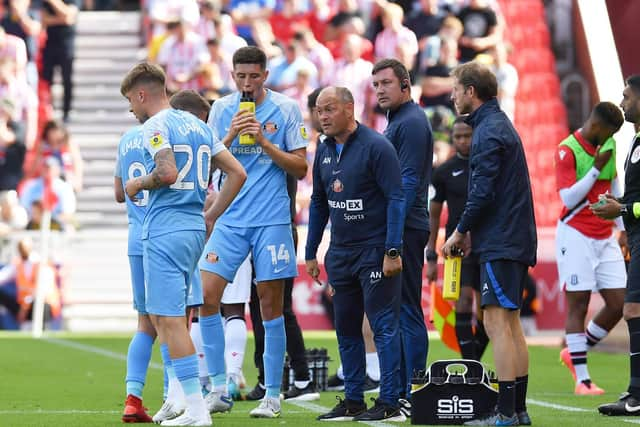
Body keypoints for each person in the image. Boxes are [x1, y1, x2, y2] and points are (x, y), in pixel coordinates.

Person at [120, 62, 246, 427]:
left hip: (165, 229)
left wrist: (136, 185)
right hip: (193, 227)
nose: (132, 108)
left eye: (131, 100)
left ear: (142, 94)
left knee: (170, 322)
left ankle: (194, 409)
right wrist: (211, 215)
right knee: (168, 318)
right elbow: (238, 172)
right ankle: (192, 404)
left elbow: (167, 171)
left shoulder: (155, 126)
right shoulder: (198, 126)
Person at [199, 45, 308, 419]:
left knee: (269, 305)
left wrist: (264, 142)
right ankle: (217, 387)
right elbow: (207, 161)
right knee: (207, 296)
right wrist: (228, 137)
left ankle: (273, 394)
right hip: (230, 219)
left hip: (272, 220)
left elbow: (300, 167)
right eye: (240, 76)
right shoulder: (221, 109)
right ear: (233, 76)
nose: (246, 83)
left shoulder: (287, 109)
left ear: (265, 75)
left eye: (253, 76)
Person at [442, 61, 535, 426]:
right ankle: (519, 411)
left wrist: (459, 230)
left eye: (455, 89)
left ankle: (506, 413)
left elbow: (481, 193)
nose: (451, 96)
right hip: (512, 236)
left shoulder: (488, 131)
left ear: (470, 91)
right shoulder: (498, 124)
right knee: (510, 325)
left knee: (496, 324)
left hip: (501, 239)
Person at [306, 86, 406, 422]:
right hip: (341, 253)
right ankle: (353, 400)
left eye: (329, 109)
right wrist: (311, 251)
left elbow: (396, 198)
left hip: (375, 250)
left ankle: (390, 401)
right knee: (346, 327)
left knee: (382, 327)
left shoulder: (377, 146)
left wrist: (392, 250)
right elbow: (320, 202)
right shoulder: (323, 149)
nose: (323, 116)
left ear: (350, 108)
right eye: (319, 110)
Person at [169, 89, 253, 401]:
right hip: (231, 227)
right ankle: (225, 376)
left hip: (215, 227)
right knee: (227, 309)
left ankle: (207, 379)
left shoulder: (197, 142)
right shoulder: (209, 143)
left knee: (204, 307)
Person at [371, 58, 432, 401]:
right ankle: (406, 388)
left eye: (386, 83)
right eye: (376, 84)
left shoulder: (409, 122)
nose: (379, 90)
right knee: (398, 309)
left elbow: (407, 183)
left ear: (405, 85)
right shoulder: (401, 120)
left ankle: (414, 389)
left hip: (405, 227)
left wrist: (391, 236)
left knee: (406, 308)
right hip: (403, 225)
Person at [555, 102, 626, 396]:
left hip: (605, 235)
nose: (612, 137)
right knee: (579, 305)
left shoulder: (607, 143)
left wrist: (622, 228)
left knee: (620, 304)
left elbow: (616, 187)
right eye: (610, 131)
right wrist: (595, 168)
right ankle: (582, 380)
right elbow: (569, 198)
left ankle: (575, 351)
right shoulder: (566, 149)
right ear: (597, 126)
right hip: (575, 234)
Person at [247, 171, 320, 402]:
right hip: (264, 230)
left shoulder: (279, 153)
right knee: (262, 306)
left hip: (275, 230)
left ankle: (300, 378)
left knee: (277, 308)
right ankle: (279, 377)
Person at [593, 74, 640, 416]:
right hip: (636, 236)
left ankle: (636, 395)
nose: (622, 103)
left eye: (627, 96)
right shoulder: (635, 142)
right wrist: (621, 205)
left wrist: (621, 209)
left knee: (632, 309)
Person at [427, 116, 490, 361]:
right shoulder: (443, 171)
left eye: (468, 135)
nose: (463, 141)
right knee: (462, 303)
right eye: (458, 136)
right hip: (457, 248)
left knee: (486, 311)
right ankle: (470, 366)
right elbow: (433, 214)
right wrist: (431, 254)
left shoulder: (487, 166)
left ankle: (473, 362)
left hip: (486, 245)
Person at [114, 125, 156, 422]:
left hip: (135, 239)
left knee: (144, 322)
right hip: (164, 235)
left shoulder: (126, 139)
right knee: (173, 321)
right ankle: (175, 398)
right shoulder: (166, 133)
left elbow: (119, 193)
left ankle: (133, 399)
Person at [41, 0, 81, 123]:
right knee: (47, 80)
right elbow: (44, 19)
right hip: (50, 44)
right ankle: (48, 110)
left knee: (67, 79)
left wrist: (54, 2)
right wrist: (62, 18)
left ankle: (67, 112)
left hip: (66, 45)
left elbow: (69, 15)